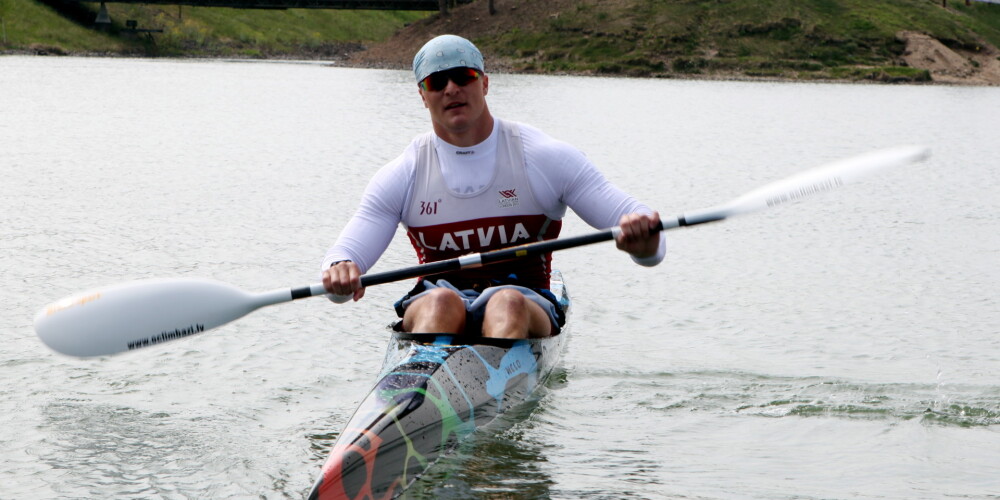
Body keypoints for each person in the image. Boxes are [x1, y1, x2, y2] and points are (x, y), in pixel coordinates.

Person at [321, 34, 663, 340]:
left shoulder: (543, 157)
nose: (452, 88)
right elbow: (343, 260)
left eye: (464, 76)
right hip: (435, 300)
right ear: (423, 96)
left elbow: (644, 235)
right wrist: (341, 273)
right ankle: (429, 386)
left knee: (506, 302)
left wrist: (642, 242)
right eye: (437, 81)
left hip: (525, 301)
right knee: (441, 301)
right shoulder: (405, 172)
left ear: (484, 83)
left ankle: (487, 390)